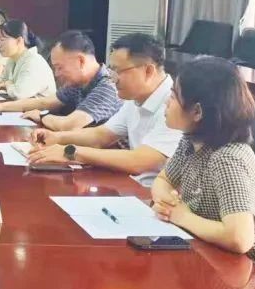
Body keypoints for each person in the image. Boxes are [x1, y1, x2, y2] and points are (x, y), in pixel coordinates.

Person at [152, 56, 255, 289]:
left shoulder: (228, 158)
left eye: (173, 96)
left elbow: (239, 239)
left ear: (197, 111)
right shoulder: (191, 140)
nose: (166, 103)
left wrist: (180, 216)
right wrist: (167, 203)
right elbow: (163, 180)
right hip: (219, 258)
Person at [27, 33, 181, 185]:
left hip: (158, 196)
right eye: (112, 71)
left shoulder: (176, 104)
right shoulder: (135, 98)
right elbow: (101, 135)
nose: (113, 78)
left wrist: (71, 152)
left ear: (148, 71)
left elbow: (139, 161)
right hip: (133, 185)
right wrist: (57, 138)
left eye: (118, 71)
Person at [0, 30, 120, 131]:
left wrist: (42, 116)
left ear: (81, 61)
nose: (56, 74)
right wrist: (1, 107)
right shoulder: (78, 83)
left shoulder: (107, 86)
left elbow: (70, 125)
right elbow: (44, 102)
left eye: (60, 67)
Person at [0, 20, 56, 100]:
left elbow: (20, 94)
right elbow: (4, 81)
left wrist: (7, 84)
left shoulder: (33, 61)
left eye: (2, 40)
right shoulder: (12, 59)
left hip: (38, 107)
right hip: (22, 105)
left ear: (19, 40)